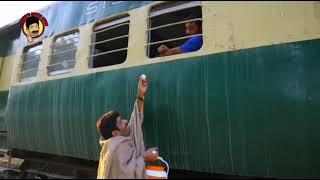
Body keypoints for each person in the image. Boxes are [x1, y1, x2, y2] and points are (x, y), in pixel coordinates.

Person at [96, 75, 158, 179]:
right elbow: (127, 174)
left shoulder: (119, 138)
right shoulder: (116, 149)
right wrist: (145, 156)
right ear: (115, 133)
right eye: (120, 122)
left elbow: (135, 119)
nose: (126, 121)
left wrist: (140, 94)